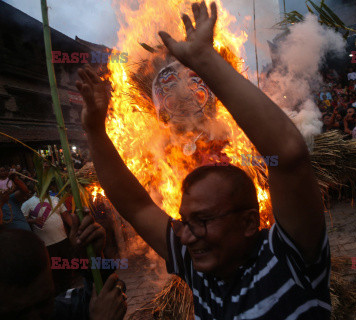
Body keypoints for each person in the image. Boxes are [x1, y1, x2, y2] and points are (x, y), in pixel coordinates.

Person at [76, 1, 330, 319]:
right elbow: (137, 205)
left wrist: (206, 61)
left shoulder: (291, 257)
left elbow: (289, 157)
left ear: (251, 222)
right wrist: (95, 130)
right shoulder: (197, 267)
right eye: (184, 221)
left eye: (203, 221)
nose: (185, 234)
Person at [0, 213, 127, 319]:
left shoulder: (61, 309)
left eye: (45, 303)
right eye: (20, 313)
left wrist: (94, 257)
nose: (36, 316)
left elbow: (100, 301)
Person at [21, 188, 73, 294]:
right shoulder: (28, 204)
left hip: (62, 239)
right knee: (54, 271)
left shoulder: (56, 199)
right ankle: (59, 294)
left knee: (66, 266)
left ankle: (69, 290)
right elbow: (22, 220)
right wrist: (33, 220)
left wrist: (75, 228)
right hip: (46, 244)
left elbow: (66, 215)